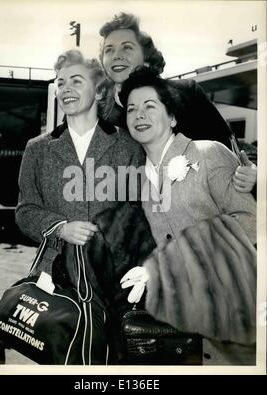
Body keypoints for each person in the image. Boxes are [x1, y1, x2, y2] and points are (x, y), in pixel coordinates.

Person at [15, 50, 151, 364]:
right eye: (61, 83)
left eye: (76, 81)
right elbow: (25, 210)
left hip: (113, 283)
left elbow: (140, 214)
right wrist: (60, 227)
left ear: (100, 89)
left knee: (111, 362)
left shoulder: (128, 146)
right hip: (57, 279)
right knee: (62, 360)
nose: (66, 89)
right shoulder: (37, 150)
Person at [119, 66, 257, 365]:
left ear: (172, 117)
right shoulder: (140, 179)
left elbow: (251, 223)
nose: (139, 115)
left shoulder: (208, 154)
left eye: (149, 106)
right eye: (131, 109)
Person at [98, 12, 257, 194]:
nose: (116, 56)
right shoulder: (98, 113)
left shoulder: (186, 93)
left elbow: (231, 150)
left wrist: (250, 173)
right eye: (109, 50)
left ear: (146, 56)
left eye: (127, 48)